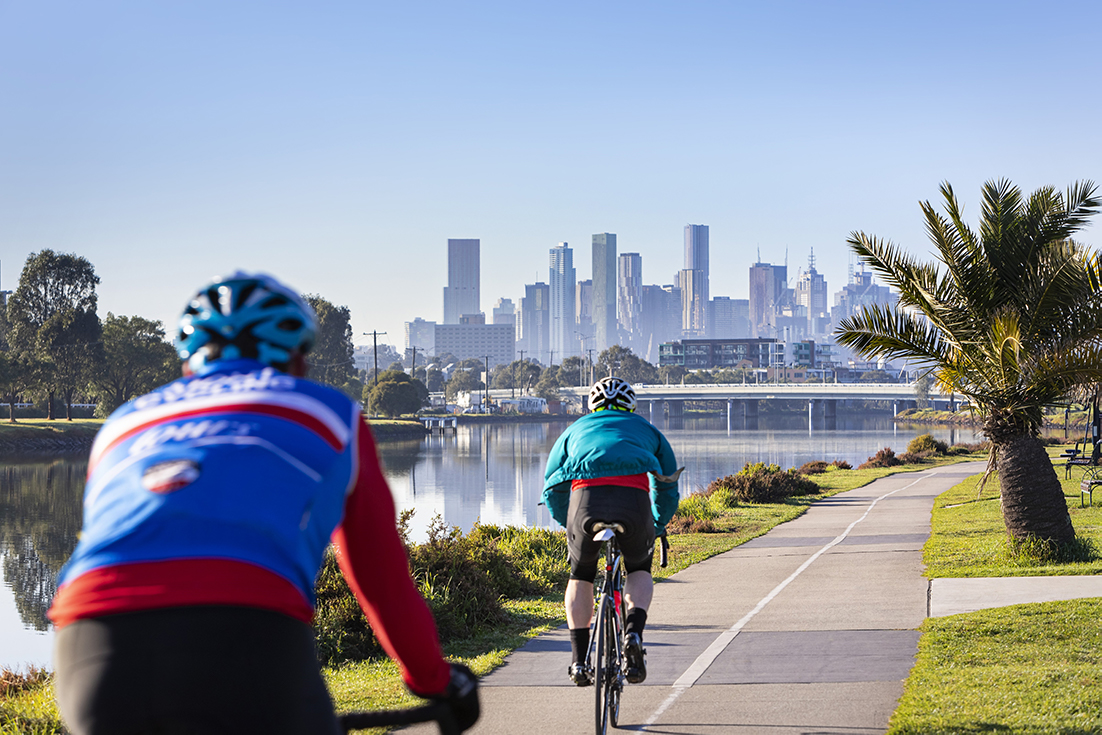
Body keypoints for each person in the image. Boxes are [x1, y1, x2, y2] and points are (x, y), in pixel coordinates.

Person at [49, 272, 479, 735]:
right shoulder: (329, 414)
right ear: (296, 356)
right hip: (245, 633)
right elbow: (381, 578)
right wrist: (435, 682)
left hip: (90, 645)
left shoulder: (122, 426)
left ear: (189, 360)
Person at [542, 376, 681, 686]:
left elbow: (553, 485)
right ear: (631, 406)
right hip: (632, 505)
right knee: (638, 569)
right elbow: (667, 484)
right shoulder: (647, 430)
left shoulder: (574, 430)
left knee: (581, 576)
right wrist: (657, 524)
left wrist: (570, 525)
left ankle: (579, 661)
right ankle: (633, 632)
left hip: (585, 505)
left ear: (591, 406)